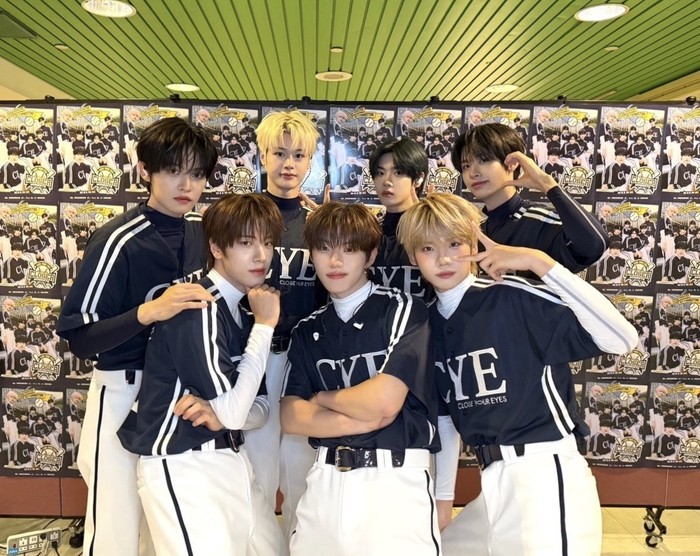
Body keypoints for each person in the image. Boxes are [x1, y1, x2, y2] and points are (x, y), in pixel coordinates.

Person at [396, 193, 637, 554]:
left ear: (474, 242)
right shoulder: (424, 323)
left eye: (455, 243)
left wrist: (539, 262)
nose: (443, 258)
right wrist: (443, 500)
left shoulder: (511, 295)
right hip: (491, 481)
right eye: (428, 248)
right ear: (414, 256)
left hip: (543, 473)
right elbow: (444, 421)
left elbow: (622, 338)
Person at [56, 117, 217, 556]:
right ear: (145, 169)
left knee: (166, 530)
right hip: (123, 390)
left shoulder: (203, 233)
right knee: (116, 528)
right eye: (173, 170)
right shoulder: (117, 239)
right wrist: (148, 312)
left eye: (197, 173)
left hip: (180, 397)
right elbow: (80, 337)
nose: (186, 184)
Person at [118, 193, 286, 555]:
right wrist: (266, 325)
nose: (261, 255)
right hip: (185, 464)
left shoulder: (239, 310)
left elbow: (258, 409)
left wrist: (227, 414)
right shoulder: (200, 305)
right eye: (246, 243)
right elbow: (237, 413)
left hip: (231, 458)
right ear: (216, 247)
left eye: (268, 242)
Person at [280, 202, 441, 555]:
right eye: (324, 248)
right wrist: (364, 415)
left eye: (350, 249)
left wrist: (322, 399)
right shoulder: (307, 329)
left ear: (370, 255)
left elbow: (383, 403)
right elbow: (291, 417)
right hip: (324, 482)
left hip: (393, 481)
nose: (335, 261)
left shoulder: (403, 308)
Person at [233, 109, 324, 538]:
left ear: (310, 162)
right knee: (258, 472)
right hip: (257, 355)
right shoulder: (241, 218)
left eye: (299, 155)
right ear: (263, 156)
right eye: (280, 153)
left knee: (304, 473)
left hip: (305, 361)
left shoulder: (320, 223)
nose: (289, 164)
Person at [452, 123, 608, 277]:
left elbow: (595, 243)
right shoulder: (475, 233)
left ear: (512, 163)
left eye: (484, 160)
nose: (473, 173)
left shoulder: (540, 223)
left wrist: (547, 184)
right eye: (466, 166)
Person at [368, 137, 432, 298]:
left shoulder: (434, 229)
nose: (387, 181)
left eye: (398, 172)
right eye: (380, 173)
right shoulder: (369, 233)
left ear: (418, 179)